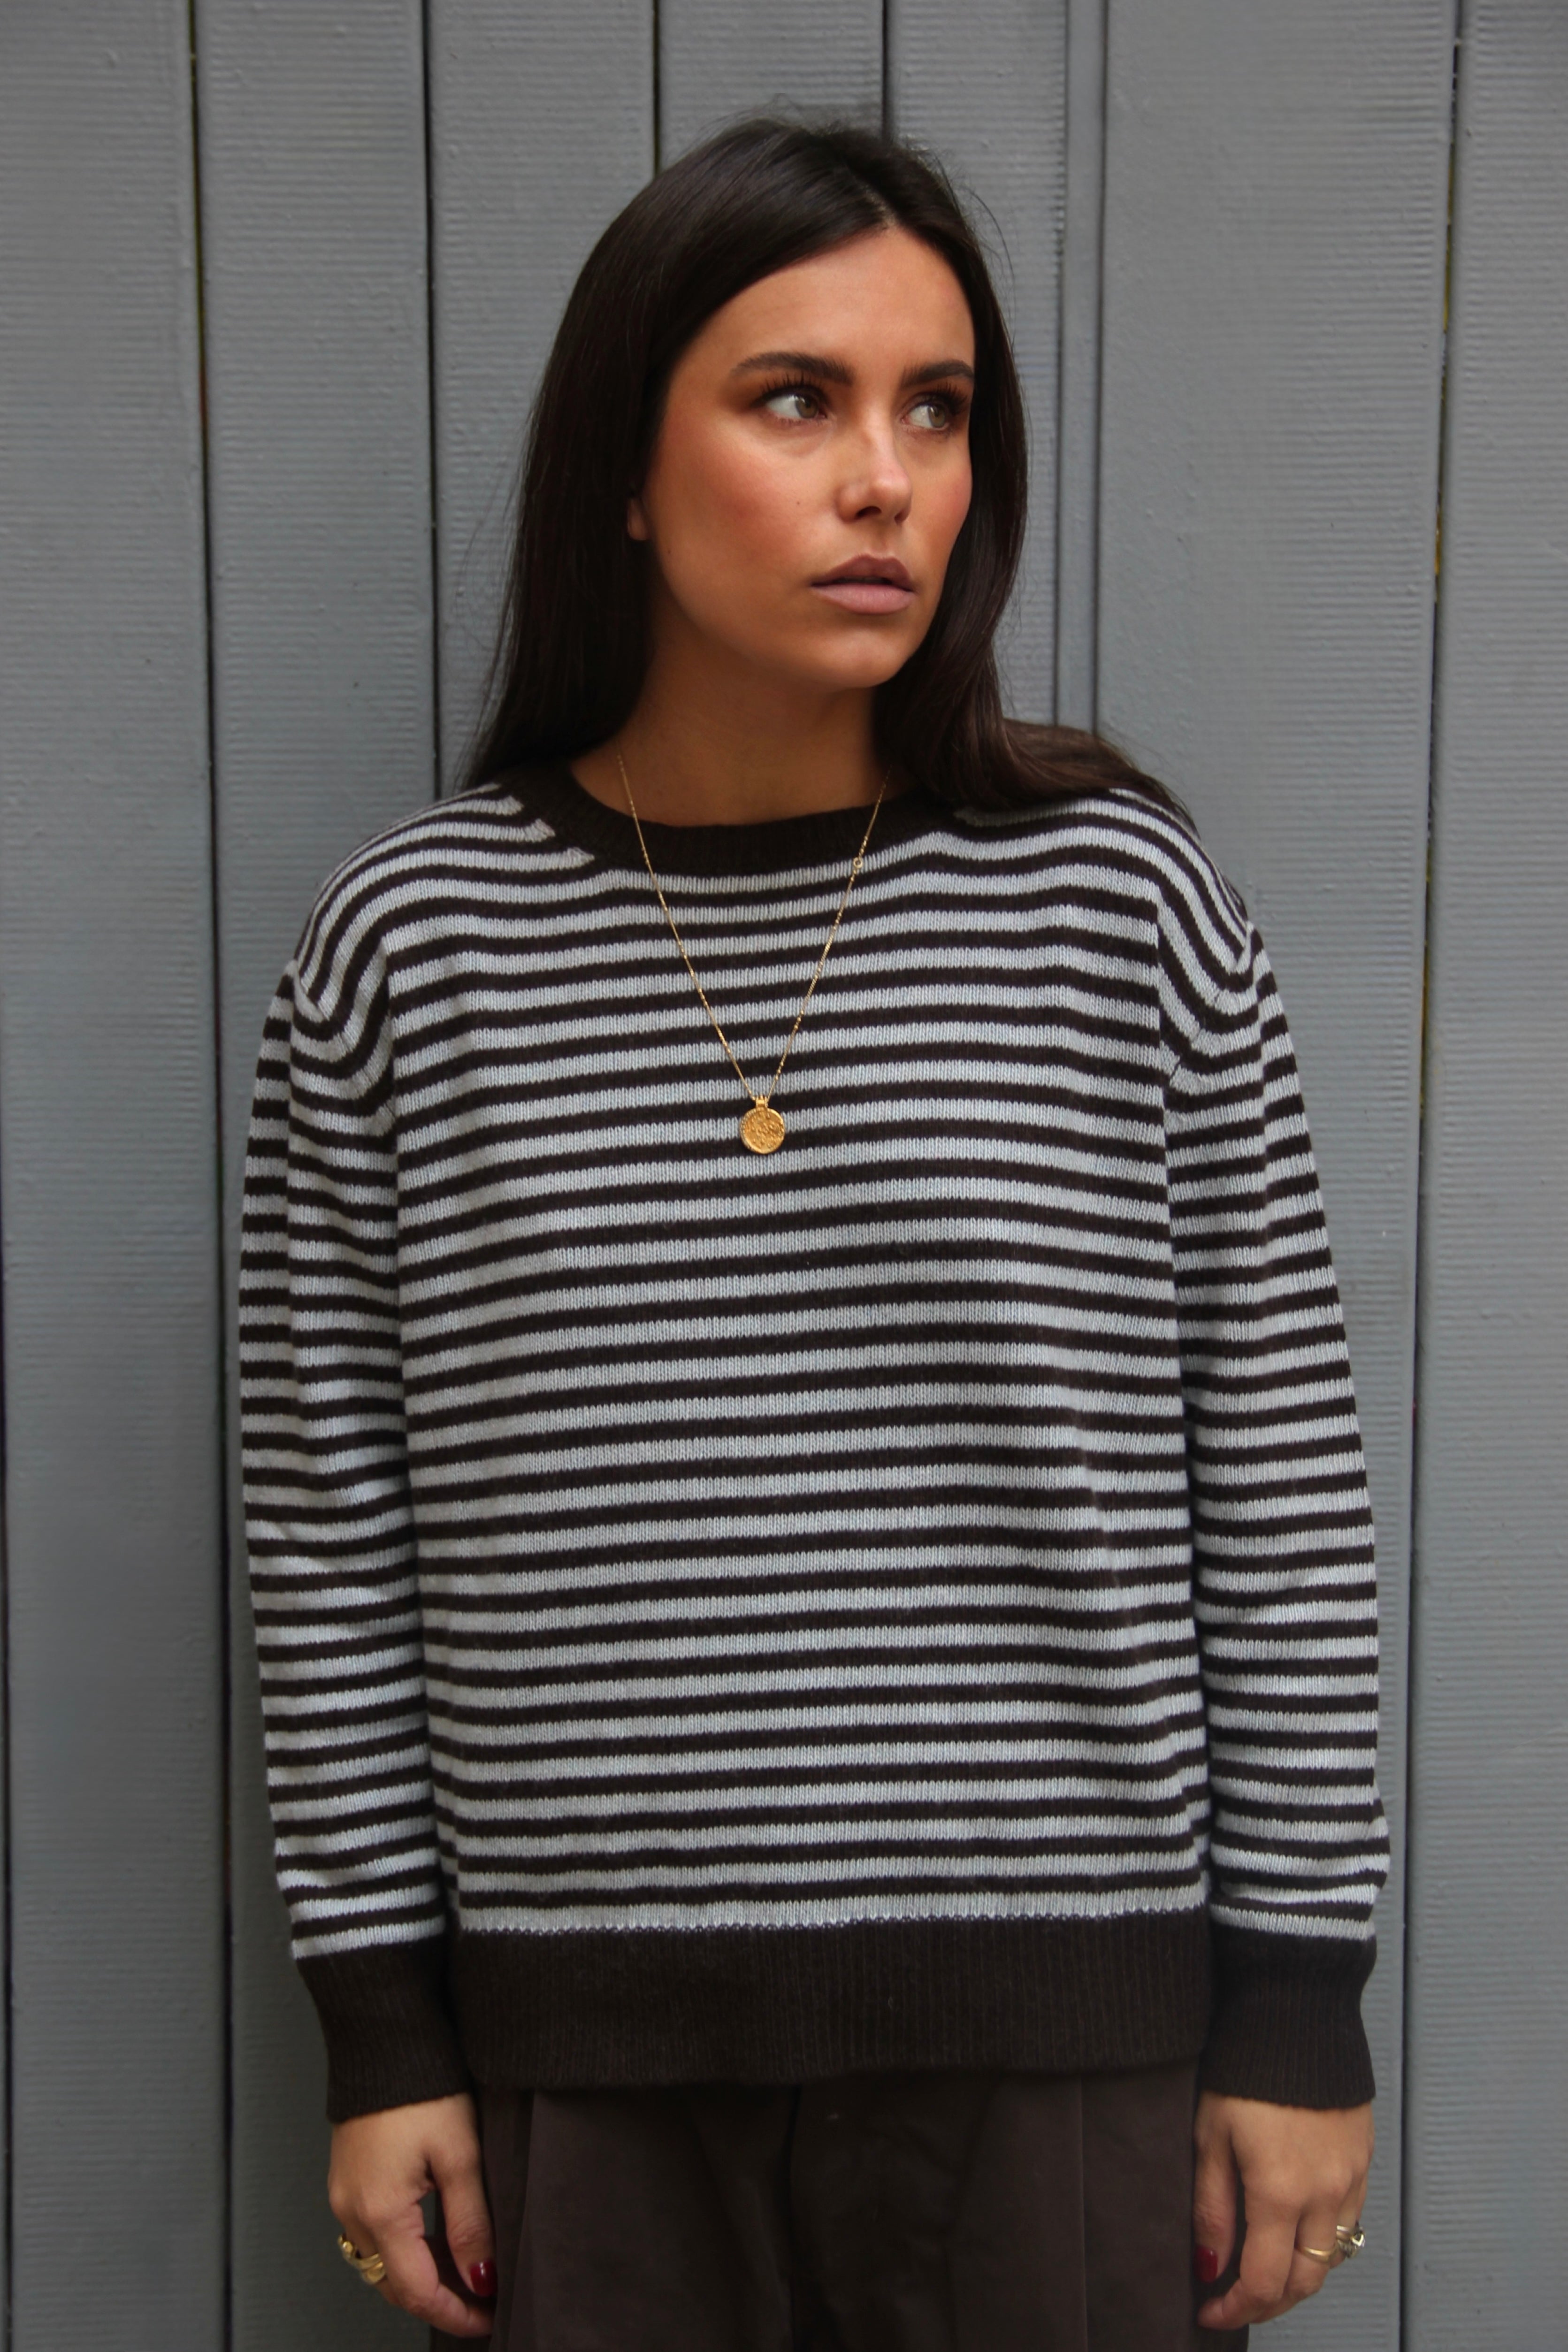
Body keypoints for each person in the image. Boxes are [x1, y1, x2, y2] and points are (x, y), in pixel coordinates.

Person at [239, 118, 1387, 2352]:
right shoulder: (411, 950)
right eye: (796, 399)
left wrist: (1293, 2005)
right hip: (587, 2070)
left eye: (934, 410)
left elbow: (1275, 1487)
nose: (885, 481)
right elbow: (330, 1531)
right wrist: (379, 2029)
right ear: (625, 470)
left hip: (1066, 2055)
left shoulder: (1119, 909)